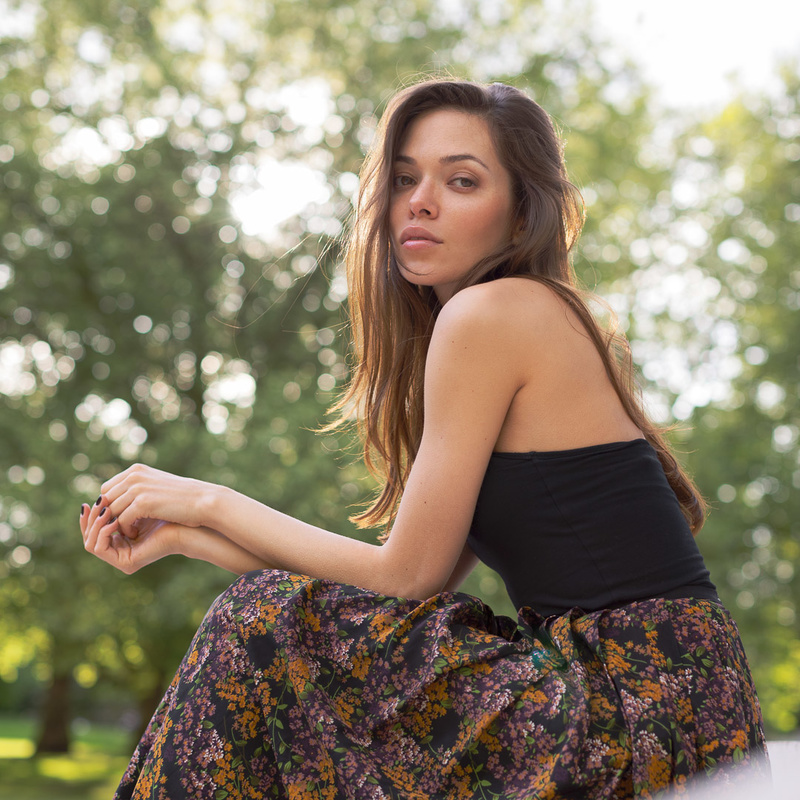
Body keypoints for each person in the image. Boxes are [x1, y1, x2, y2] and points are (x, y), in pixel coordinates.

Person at [80, 79, 768, 799]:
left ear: (519, 214)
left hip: (635, 711)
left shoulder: (493, 314)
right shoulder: (513, 321)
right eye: (405, 178)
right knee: (266, 616)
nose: (422, 200)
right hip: (669, 705)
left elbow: (404, 579)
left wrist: (206, 501)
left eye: (462, 180)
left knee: (257, 621)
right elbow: (417, 584)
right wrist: (184, 536)